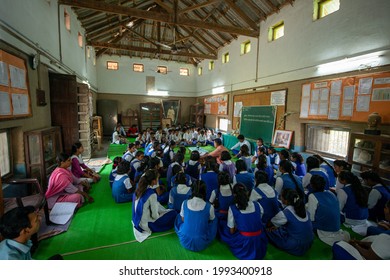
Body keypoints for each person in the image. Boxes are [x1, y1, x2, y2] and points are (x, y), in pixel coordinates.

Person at [220, 183, 268, 260]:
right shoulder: (257, 205)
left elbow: (232, 231)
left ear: (234, 195)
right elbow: (259, 219)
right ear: (247, 192)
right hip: (259, 242)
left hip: (245, 243)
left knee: (225, 230)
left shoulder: (232, 208)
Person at [132, 170, 177, 242]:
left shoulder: (138, 190)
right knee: (173, 213)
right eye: (157, 179)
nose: (158, 181)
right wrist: (161, 213)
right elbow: (155, 216)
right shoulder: (151, 194)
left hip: (136, 221)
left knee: (161, 208)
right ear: (153, 181)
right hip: (147, 225)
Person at [266, 188, 314, 256]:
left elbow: (270, 223)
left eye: (281, 196)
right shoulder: (303, 209)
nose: (280, 197)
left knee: (268, 230)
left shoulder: (285, 213)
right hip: (309, 242)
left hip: (296, 245)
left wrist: (272, 226)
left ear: (285, 201)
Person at [306, 175, 350, 246]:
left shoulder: (312, 196)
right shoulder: (331, 193)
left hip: (324, 230)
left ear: (311, 185)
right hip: (336, 227)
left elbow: (311, 218)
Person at [174, 180, 218, 252]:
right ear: (204, 191)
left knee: (179, 216)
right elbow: (211, 220)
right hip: (201, 243)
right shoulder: (209, 207)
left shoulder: (185, 203)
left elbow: (183, 219)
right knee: (215, 220)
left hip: (184, 240)